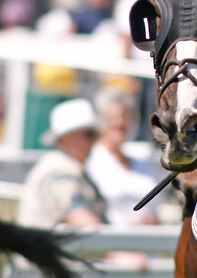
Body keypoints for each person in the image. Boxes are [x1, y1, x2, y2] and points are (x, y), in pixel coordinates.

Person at [17, 98, 107, 228]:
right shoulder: (60, 169)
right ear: (66, 138)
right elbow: (81, 219)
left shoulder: (63, 165)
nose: (94, 140)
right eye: (89, 134)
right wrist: (117, 246)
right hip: (48, 247)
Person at [86, 88, 160, 226]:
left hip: (149, 241)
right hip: (113, 243)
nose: (119, 123)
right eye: (112, 118)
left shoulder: (142, 160)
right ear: (99, 120)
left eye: (125, 116)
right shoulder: (90, 161)